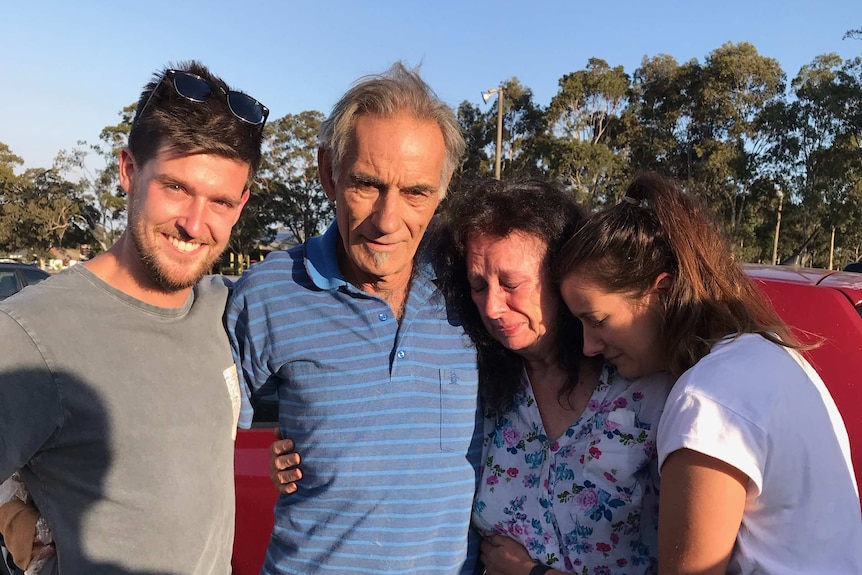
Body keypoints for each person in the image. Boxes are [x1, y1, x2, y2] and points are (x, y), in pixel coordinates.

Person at [271, 178, 674, 575]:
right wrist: (302, 449)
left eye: (511, 284)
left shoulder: (645, 384)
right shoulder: (477, 382)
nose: (493, 307)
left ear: (560, 276)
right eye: (479, 286)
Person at [0, 61, 267, 574]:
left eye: (220, 201)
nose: (195, 223)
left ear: (242, 205)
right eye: (175, 187)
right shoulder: (30, 333)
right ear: (128, 171)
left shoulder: (226, 308)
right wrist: (13, 513)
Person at [226, 62, 482, 575]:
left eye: (416, 192)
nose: (388, 222)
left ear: (444, 186)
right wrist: (258, 455)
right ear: (329, 173)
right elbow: (201, 437)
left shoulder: (478, 289)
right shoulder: (268, 294)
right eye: (367, 184)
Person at [556, 173, 862, 574]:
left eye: (597, 320)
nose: (588, 346)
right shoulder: (772, 354)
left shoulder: (708, 400)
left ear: (661, 293)